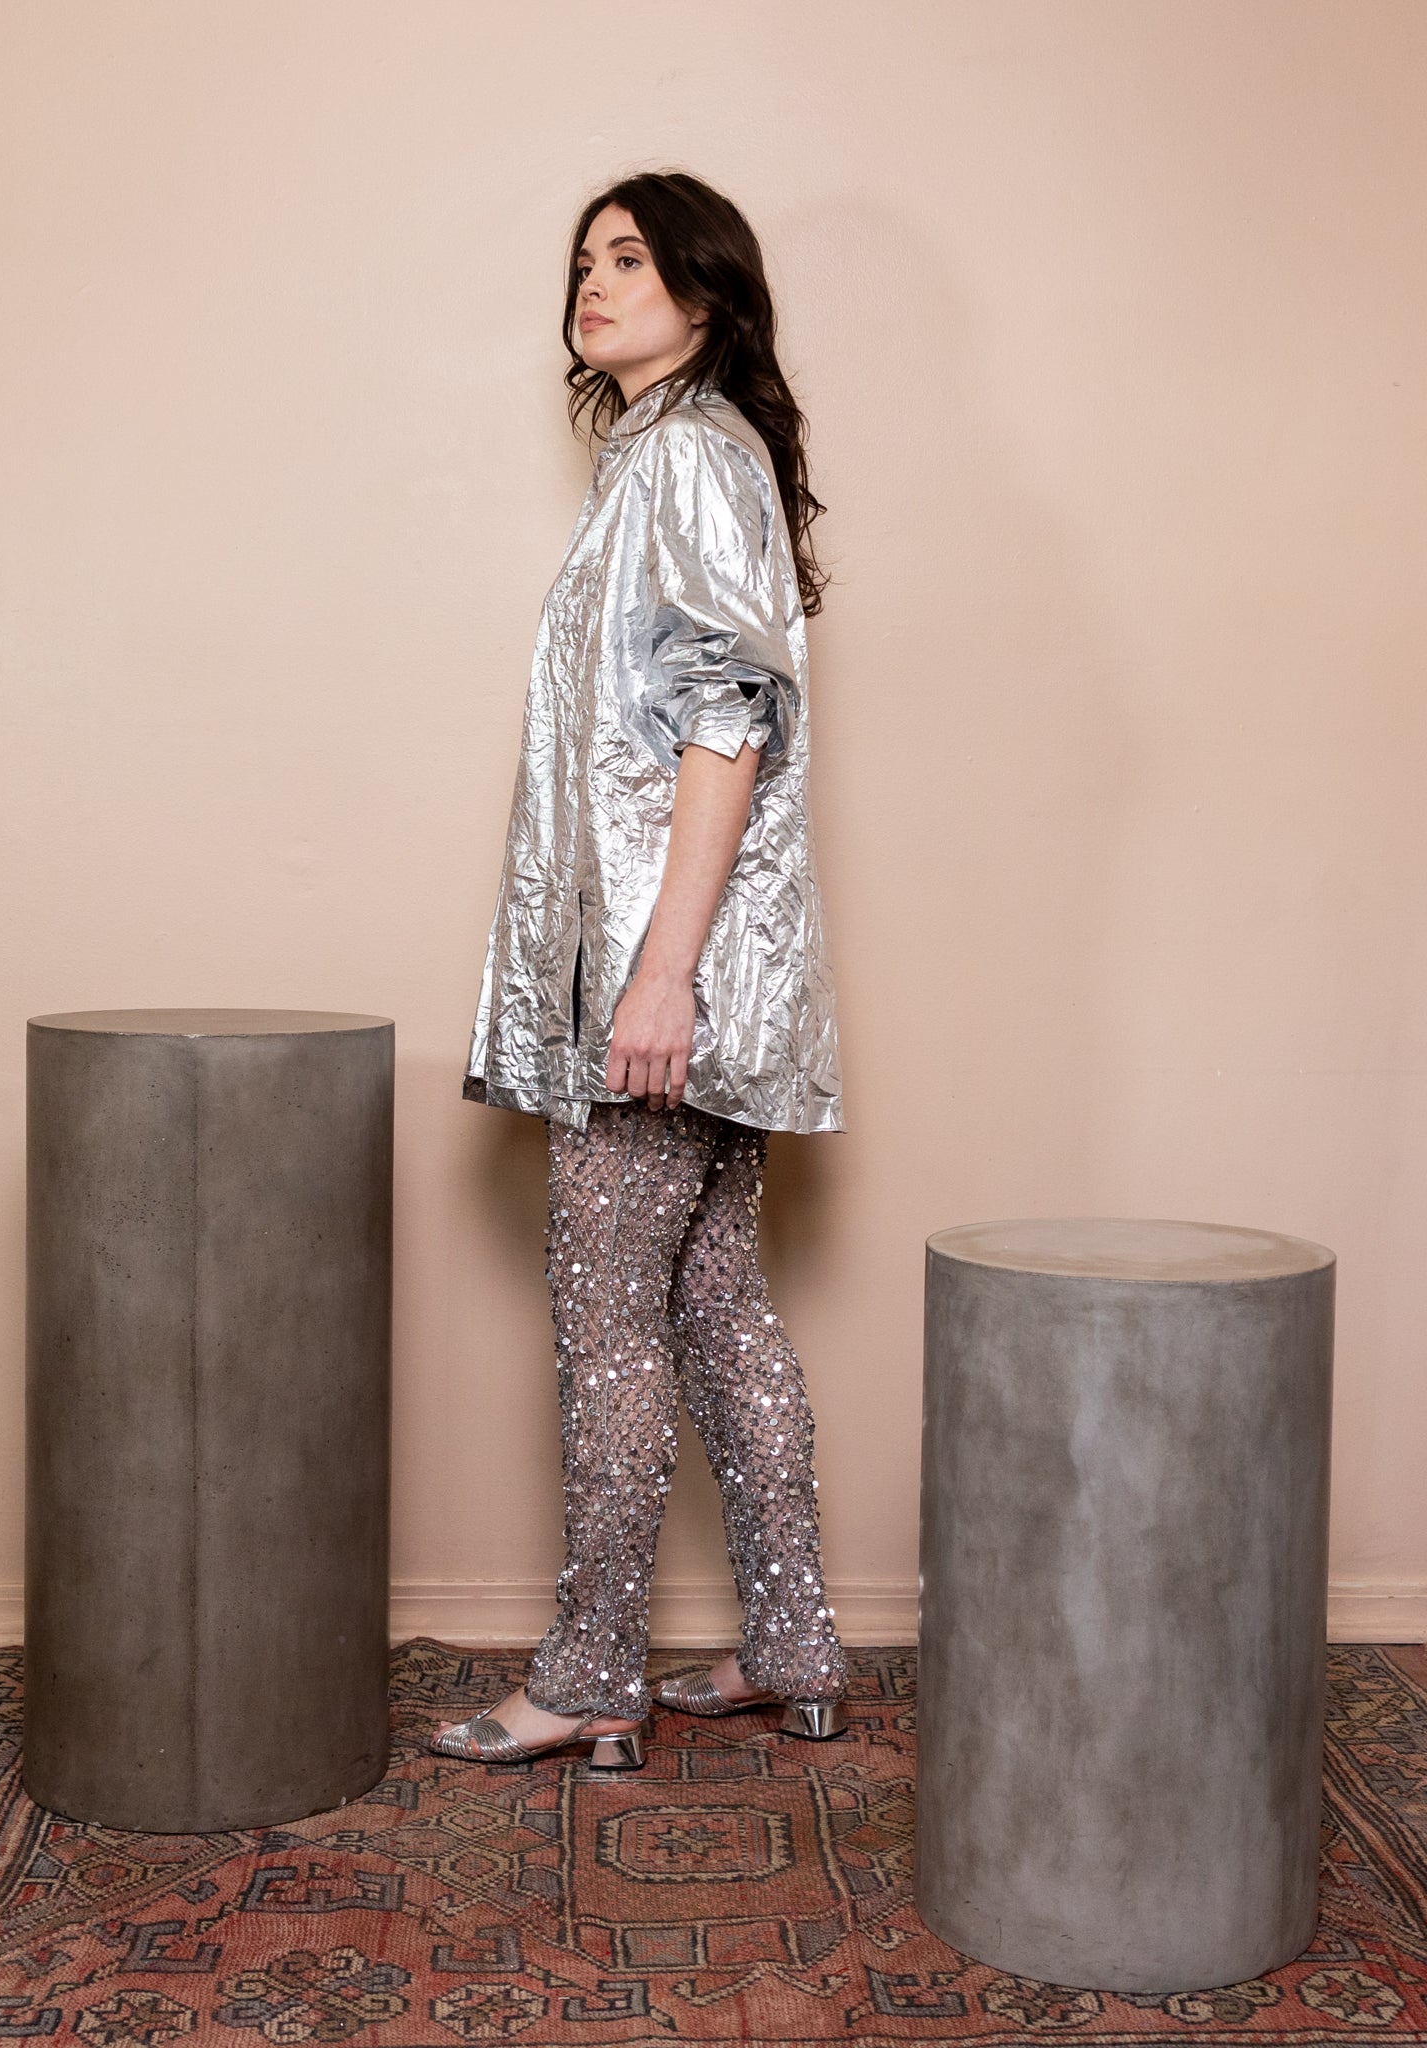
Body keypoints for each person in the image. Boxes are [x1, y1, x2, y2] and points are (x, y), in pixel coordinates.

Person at [433, 171, 847, 1769]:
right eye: (581, 262)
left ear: (706, 290)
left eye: (628, 258)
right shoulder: (692, 455)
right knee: (719, 1304)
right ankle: (795, 1643)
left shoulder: (683, 455)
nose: (592, 285)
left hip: (664, 981)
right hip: (719, 976)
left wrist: (661, 978)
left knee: (607, 1317)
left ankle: (594, 1667)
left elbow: (728, 724)